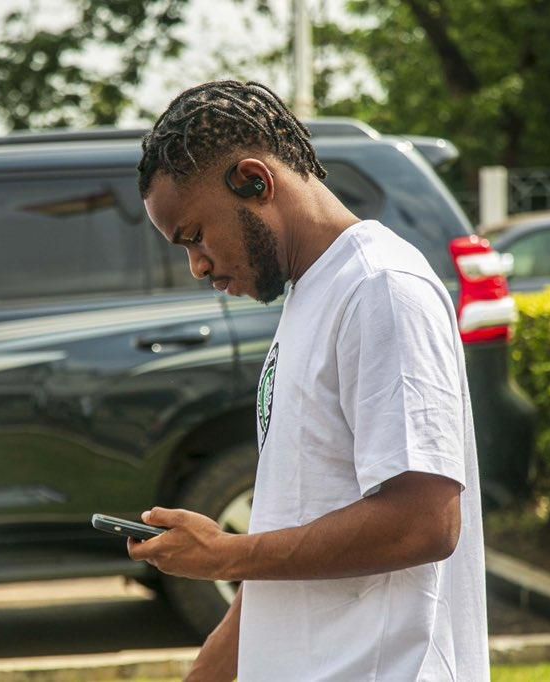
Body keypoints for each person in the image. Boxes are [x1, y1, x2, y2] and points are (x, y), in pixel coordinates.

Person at [130, 80, 489, 681]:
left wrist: (224, 556)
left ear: (254, 180)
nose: (197, 265)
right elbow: (291, 531)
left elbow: (425, 522)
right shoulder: (313, 294)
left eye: (194, 236)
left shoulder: (380, 288)